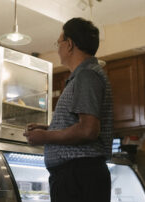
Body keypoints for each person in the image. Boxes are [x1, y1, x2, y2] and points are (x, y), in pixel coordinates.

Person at [23, 17, 113, 202]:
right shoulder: (83, 76)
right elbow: (80, 124)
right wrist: (48, 129)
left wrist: (45, 137)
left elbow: (88, 130)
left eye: (59, 42)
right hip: (77, 176)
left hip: (78, 176)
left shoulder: (87, 75)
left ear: (69, 44)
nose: (57, 48)